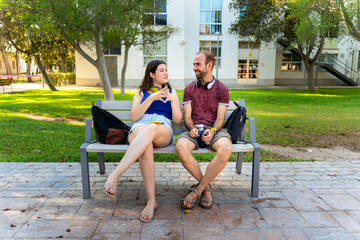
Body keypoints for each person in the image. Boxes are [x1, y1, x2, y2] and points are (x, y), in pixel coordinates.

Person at [103, 60, 182, 222]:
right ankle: (151, 201)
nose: (166, 73)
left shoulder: (172, 92)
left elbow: (178, 120)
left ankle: (115, 175)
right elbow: (134, 117)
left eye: (166, 70)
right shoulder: (140, 92)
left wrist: (173, 101)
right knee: (145, 144)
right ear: (152, 74)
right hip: (140, 125)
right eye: (161, 70)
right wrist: (151, 98)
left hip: (161, 128)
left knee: (151, 129)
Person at [175, 51, 232, 210]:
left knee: (226, 148)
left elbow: (220, 118)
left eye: (197, 64)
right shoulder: (189, 89)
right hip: (194, 130)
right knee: (180, 146)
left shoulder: (222, 89)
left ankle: (198, 190)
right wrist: (192, 129)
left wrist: (213, 130)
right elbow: (187, 117)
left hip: (214, 130)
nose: (194, 68)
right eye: (193, 64)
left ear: (209, 65)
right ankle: (206, 188)